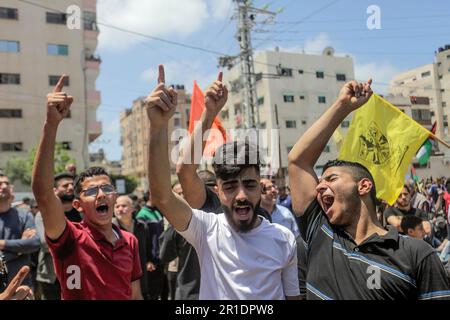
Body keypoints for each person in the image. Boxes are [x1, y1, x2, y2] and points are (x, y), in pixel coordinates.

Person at [288, 78, 450, 299]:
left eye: (331, 178)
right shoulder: (320, 233)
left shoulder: (416, 254)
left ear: (363, 186)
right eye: (320, 181)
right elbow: (298, 161)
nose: (320, 187)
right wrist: (342, 106)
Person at [147, 65, 299, 300]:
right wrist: (158, 127)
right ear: (217, 191)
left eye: (249, 185)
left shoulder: (284, 238)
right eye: (230, 186)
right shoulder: (206, 230)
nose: (241, 195)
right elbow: (163, 195)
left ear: (260, 186)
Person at [31, 76, 143, 300]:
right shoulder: (69, 237)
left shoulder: (130, 241)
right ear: (77, 205)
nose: (101, 194)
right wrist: (51, 125)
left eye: (106, 188)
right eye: (91, 191)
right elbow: (43, 195)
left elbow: (135, 294)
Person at [0, 174, 40, 288]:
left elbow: (34, 244)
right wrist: (19, 250)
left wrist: (2, 244)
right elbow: (25, 246)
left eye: (6, 183)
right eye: (0, 184)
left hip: (21, 286)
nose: (4, 186)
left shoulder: (24, 215)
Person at [113, 195, 152, 299]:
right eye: (117, 206)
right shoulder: (110, 229)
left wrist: (149, 260)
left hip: (141, 277)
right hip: (120, 280)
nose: (120, 209)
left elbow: (148, 246)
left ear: (133, 208)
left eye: (124, 206)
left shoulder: (142, 226)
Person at [135, 191, 165, 300]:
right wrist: (147, 260)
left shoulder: (157, 211)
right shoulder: (142, 215)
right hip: (151, 262)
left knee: (161, 291)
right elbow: (142, 240)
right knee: (152, 293)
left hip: (160, 258)